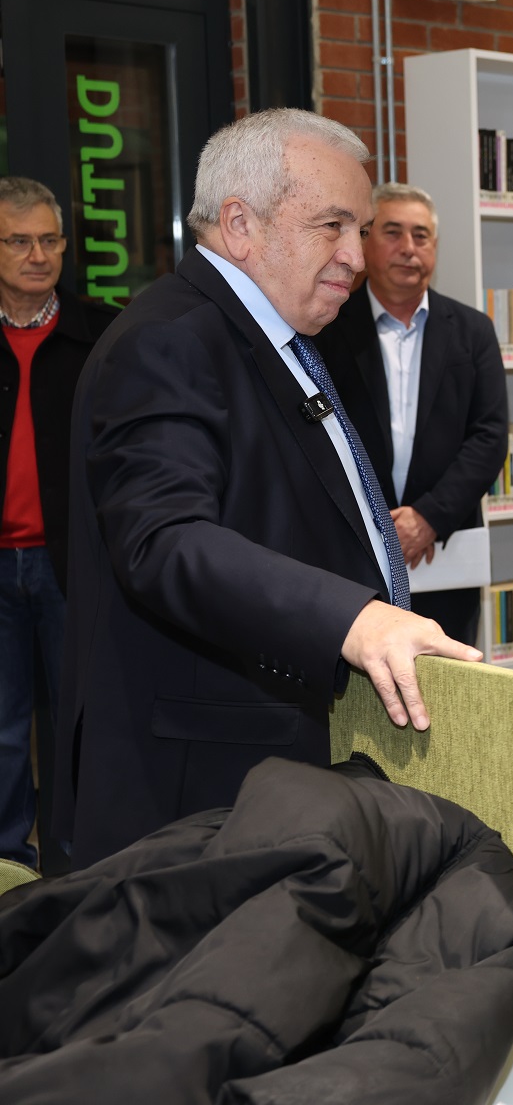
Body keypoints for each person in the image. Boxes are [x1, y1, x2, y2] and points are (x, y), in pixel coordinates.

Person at [55, 109, 481, 869]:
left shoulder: (275, 337)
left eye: (361, 230)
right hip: (194, 792)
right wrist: (352, 618)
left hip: (270, 762)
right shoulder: (170, 341)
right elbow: (164, 542)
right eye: (332, 226)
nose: (356, 256)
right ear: (239, 225)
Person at [313, 182, 509, 646]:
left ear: (434, 246)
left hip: (445, 551)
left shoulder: (473, 331)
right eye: (393, 232)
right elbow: (315, 439)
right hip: (353, 553)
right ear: (365, 242)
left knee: (449, 678)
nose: (408, 248)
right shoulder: (326, 327)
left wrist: (428, 517)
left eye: (420, 236)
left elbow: (489, 437)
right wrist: (379, 524)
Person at [0, 176, 118, 869]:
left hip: (71, 562)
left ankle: (77, 870)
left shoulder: (101, 333)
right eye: (19, 241)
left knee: (82, 723)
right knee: (3, 730)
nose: (38, 256)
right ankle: (9, 870)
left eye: (49, 241)